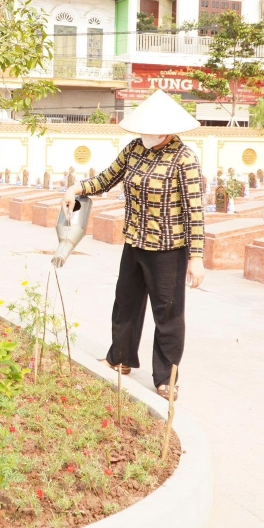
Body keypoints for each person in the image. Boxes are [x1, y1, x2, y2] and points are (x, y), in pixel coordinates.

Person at [62, 90, 205, 400]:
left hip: (168, 249)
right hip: (135, 242)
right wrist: (76, 188)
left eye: (152, 130)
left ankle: (166, 377)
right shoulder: (134, 149)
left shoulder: (184, 159)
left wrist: (196, 257)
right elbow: (106, 179)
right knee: (125, 303)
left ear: (167, 130)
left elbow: (195, 210)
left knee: (167, 314)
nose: (146, 135)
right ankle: (120, 358)